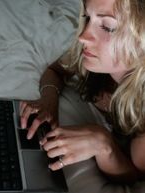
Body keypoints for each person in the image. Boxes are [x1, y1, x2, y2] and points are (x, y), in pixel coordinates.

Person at [19, 0, 145, 183]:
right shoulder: (91, 59)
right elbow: (56, 70)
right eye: (87, 17)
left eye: (107, 27)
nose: (83, 36)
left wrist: (103, 144)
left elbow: (135, 176)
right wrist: (49, 99)